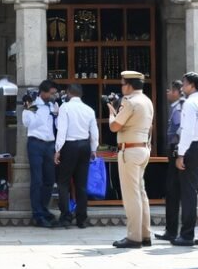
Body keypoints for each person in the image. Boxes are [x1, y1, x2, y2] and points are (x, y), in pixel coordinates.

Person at [108, 71, 155, 249]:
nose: (122, 87)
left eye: (123, 84)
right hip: (143, 148)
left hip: (130, 150)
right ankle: (145, 234)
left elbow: (115, 126)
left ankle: (134, 237)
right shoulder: (147, 101)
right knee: (141, 193)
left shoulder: (130, 102)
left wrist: (112, 113)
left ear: (128, 85)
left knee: (131, 195)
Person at [54, 84, 99, 229]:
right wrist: (94, 149)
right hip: (84, 145)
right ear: (81, 94)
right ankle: (81, 219)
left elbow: (62, 130)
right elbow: (94, 132)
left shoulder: (65, 107)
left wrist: (57, 149)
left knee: (63, 182)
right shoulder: (89, 110)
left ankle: (65, 217)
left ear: (68, 93)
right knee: (81, 184)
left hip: (69, 145)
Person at [172, 71, 198, 246]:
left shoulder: (190, 103)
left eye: (184, 84)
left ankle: (186, 235)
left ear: (192, 85)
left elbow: (187, 131)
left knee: (188, 192)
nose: (182, 87)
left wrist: (181, 154)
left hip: (192, 148)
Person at [23, 79, 60, 227]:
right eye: (51, 93)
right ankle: (37, 214)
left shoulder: (52, 105)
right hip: (36, 144)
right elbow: (28, 123)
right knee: (37, 180)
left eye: (54, 93)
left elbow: (57, 125)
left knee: (49, 179)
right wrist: (42, 112)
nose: (53, 96)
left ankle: (44, 209)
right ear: (43, 92)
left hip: (50, 145)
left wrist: (56, 114)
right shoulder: (33, 105)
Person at [156, 80, 185, 242]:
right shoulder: (176, 107)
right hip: (176, 151)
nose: (167, 92)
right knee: (172, 192)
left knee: (173, 191)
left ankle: (173, 231)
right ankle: (171, 229)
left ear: (176, 92)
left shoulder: (179, 108)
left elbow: (180, 129)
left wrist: (178, 150)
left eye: (170, 90)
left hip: (177, 151)